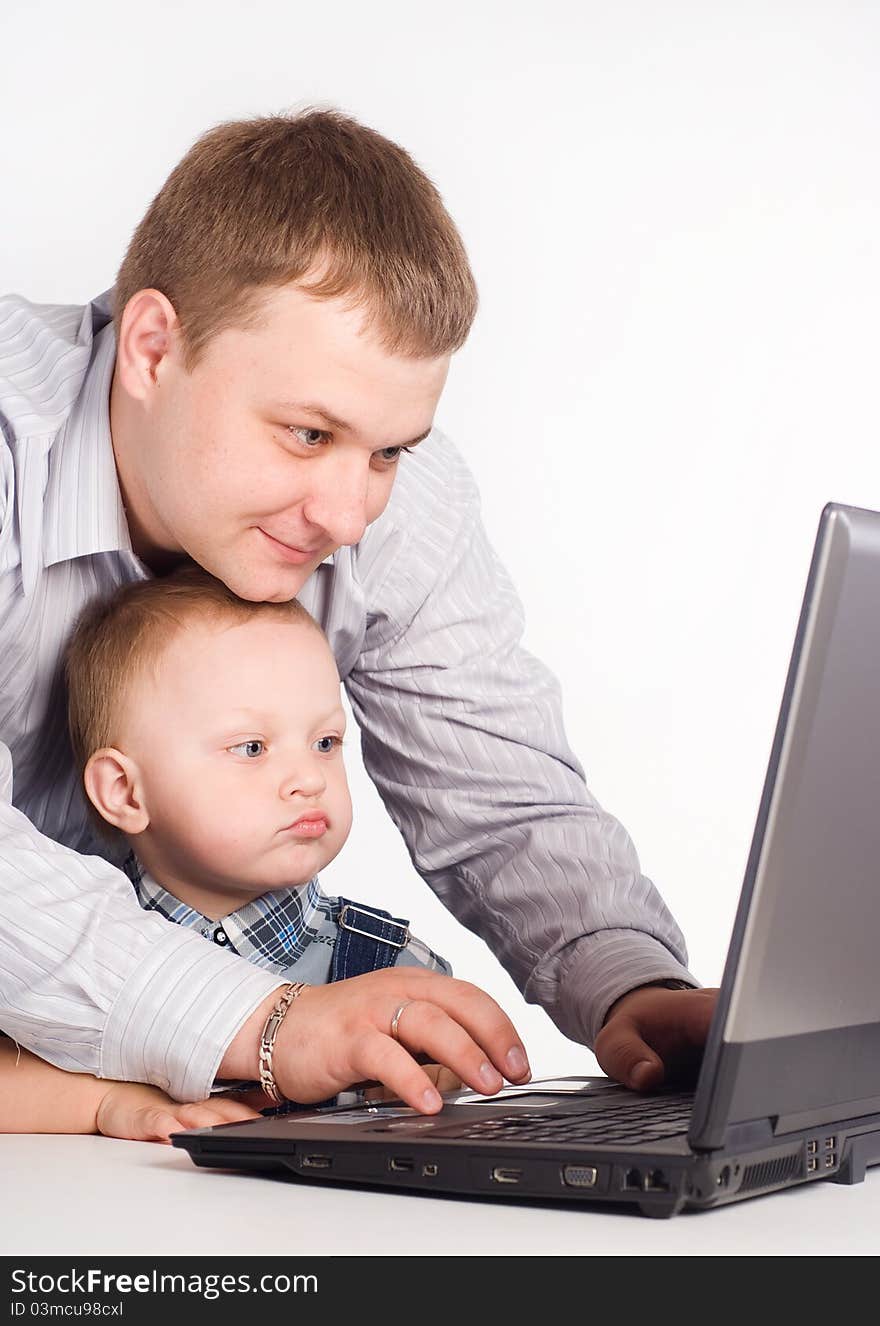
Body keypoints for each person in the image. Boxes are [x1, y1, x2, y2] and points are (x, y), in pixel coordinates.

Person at [0, 107, 714, 1117]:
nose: (347, 514)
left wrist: (635, 986)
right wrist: (269, 1023)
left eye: (387, 451)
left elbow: (496, 789)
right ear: (153, 349)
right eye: (305, 434)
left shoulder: (399, 505)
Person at [0, 564, 469, 1138]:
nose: (308, 779)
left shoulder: (389, 972)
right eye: (252, 747)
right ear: (125, 791)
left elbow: (449, 1092)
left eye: (325, 742)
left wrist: (442, 1074)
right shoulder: (50, 960)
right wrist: (102, 1104)